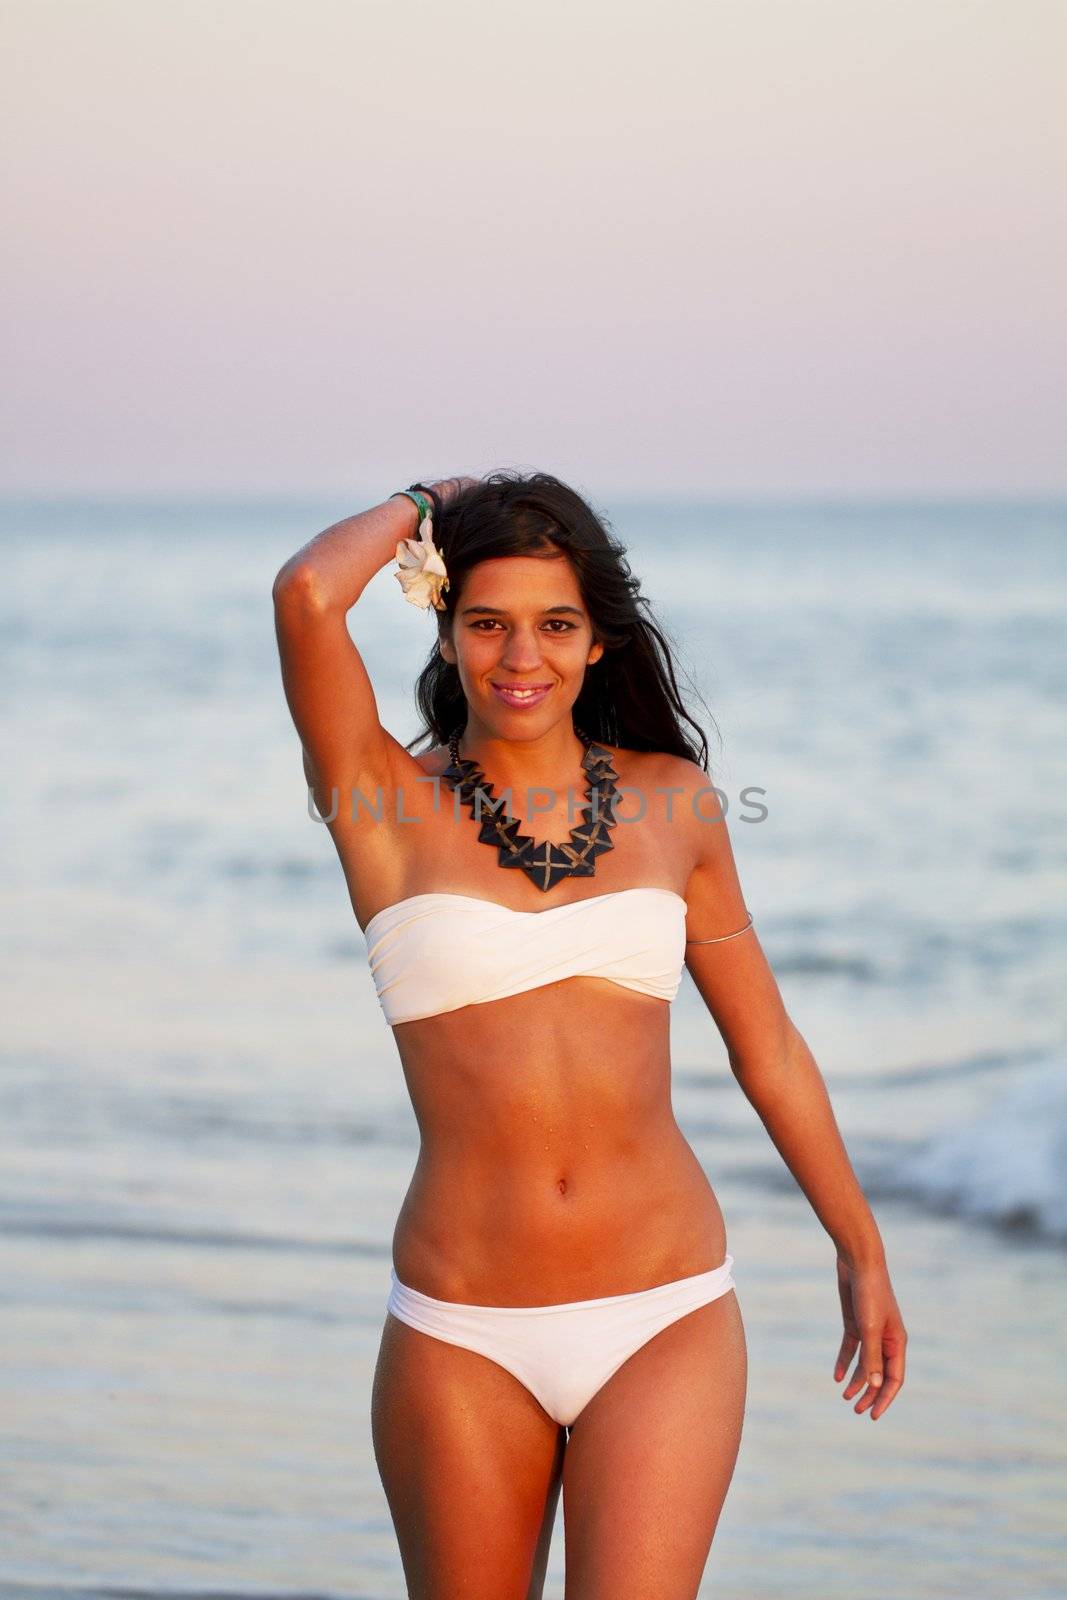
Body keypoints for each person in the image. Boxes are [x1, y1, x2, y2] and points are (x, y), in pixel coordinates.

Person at [271, 471, 907, 1599]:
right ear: (445, 626)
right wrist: (425, 505)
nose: (522, 659)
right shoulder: (378, 804)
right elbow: (311, 593)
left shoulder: (677, 805)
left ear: (599, 641)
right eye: (487, 623)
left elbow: (768, 1050)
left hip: (663, 1311)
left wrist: (857, 1246)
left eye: (555, 624)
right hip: (462, 1328)